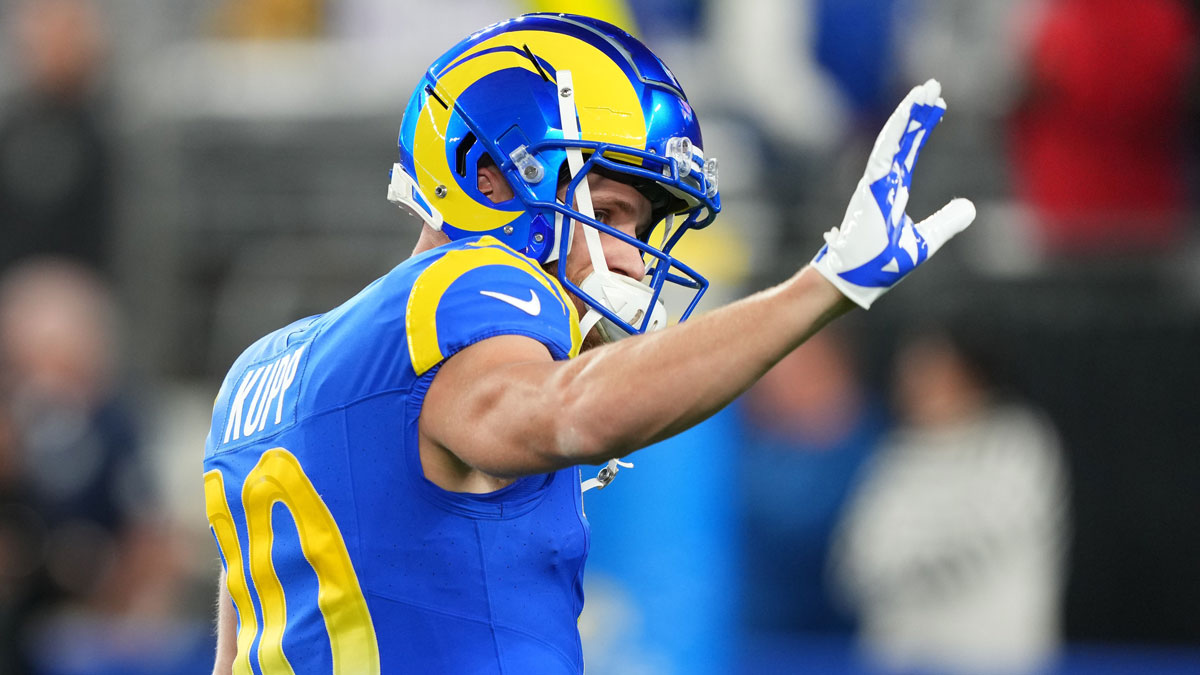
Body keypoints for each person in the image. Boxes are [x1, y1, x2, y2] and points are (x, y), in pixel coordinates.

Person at [202, 13, 976, 674]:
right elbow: (562, 411)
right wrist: (826, 284)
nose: (634, 257)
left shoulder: (258, 370)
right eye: (610, 208)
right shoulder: (470, 285)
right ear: (492, 178)